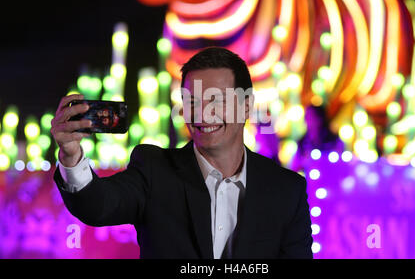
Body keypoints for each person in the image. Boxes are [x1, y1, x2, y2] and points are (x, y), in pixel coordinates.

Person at [51, 47, 313, 259]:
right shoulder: (154, 169)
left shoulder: (286, 190)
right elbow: (98, 206)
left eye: (216, 100)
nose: (201, 114)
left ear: (246, 107)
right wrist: (72, 158)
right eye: (192, 101)